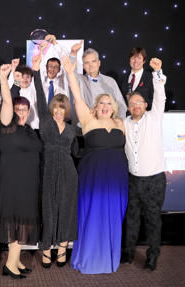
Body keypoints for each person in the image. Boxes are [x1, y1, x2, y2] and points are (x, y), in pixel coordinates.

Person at [62, 56, 129, 274]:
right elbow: (78, 97)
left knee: (114, 217)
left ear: (114, 106)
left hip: (117, 178)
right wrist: (71, 72)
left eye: (109, 103)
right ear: (96, 106)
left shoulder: (120, 123)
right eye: (102, 103)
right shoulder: (88, 121)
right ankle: (89, 259)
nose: (105, 106)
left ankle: (109, 259)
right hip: (93, 178)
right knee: (92, 215)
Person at [0, 64, 42, 279]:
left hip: (28, 183)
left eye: (25, 109)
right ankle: (10, 265)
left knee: (23, 219)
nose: (21, 112)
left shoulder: (28, 130)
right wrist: (4, 79)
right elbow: (6, 100)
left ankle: (16, 260)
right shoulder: (7, 125)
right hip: (12, 183)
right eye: (18, 108)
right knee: (15, 219)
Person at [32, 54, 78, 268]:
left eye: (62, 108)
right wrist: (34, 70)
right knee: (49, 209)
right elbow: (41, 96)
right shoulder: (45, 120)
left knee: (66, 209)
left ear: (66, 110)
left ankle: (62, 247)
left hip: (69, 173)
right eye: (56, 107)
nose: (59, 111)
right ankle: (47, 248)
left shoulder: (71, 129)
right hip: (48, 170)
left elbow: (76, 153)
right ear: (52, 108)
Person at [121, 58, 167, 271]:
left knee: (153, 221)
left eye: (139, 102)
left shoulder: (154, 116)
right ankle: (128, 253)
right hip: (132, 179)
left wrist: (157, 73)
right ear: (128, 107)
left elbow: (160, 95)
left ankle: (152, 257)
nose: (135, 106)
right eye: (132, 103)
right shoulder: (124, 123)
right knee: (131, 219)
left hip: (155, 180)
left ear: (146, 105)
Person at [77, 48, 127, 118]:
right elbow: (69, 74)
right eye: (87, 62)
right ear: (83, 66)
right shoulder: (79, 80)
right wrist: (73, 54)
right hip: (86, 124)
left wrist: (118, 123)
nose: (90, 65)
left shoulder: (110, 81)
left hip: (108, 124)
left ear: (99, 63)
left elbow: (121, 105)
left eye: (93, 61)